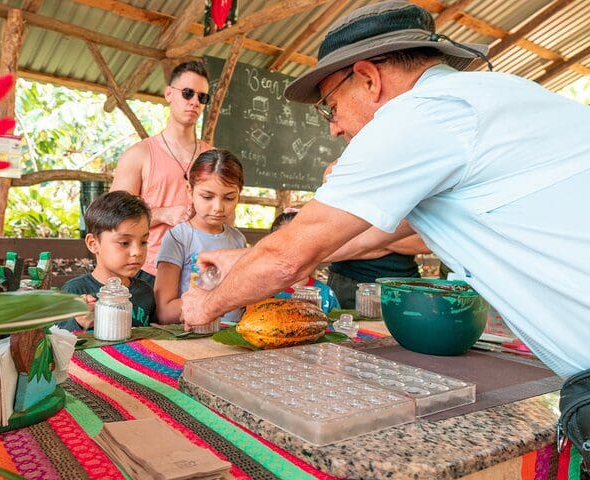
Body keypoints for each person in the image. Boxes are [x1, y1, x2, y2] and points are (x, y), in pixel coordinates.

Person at [181, 0, 590, 381]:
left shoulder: (414, 117)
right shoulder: (497, 95)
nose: (334, 127)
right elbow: (359, 241)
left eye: (331, 106)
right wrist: (241, 258)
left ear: (368, 79)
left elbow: (289, 259)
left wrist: (208, 304)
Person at [110, 61, 213, 287]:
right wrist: (164, 214)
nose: (195, 102)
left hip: (200, 271)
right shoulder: (139, 154)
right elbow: (112, 219)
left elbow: (227, 217)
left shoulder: (213, 157)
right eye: (188, 93)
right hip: (149, 271)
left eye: (202, 97)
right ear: (169, 94)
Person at [320, 160, 429, 308]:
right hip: (350, 285)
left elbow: (426, 242)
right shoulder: (339, 170)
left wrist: (363, 239)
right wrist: (391, 236)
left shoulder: (409, 174)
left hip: (406, 283)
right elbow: (328, 246)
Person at [154, 150, 246, 324]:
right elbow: (165, 312)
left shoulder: (238, 239)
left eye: (229, 198)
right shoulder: (179, 238)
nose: (218, 207)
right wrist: (218, 300)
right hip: (192, 338)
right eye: (207, 197)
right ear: (190, 191)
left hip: (232, 337)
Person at [58, 191, 155, 331]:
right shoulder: (75, 291)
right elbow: (59, 340)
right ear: (93, 243)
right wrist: (79, 322)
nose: (137, 252)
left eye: (143, 242)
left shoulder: (145, 292)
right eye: (124, 243)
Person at [270, 210, 340, 313]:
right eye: (286, 241)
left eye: (302, 242)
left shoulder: (326, 294)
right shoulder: (263, 293)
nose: (295, 248)